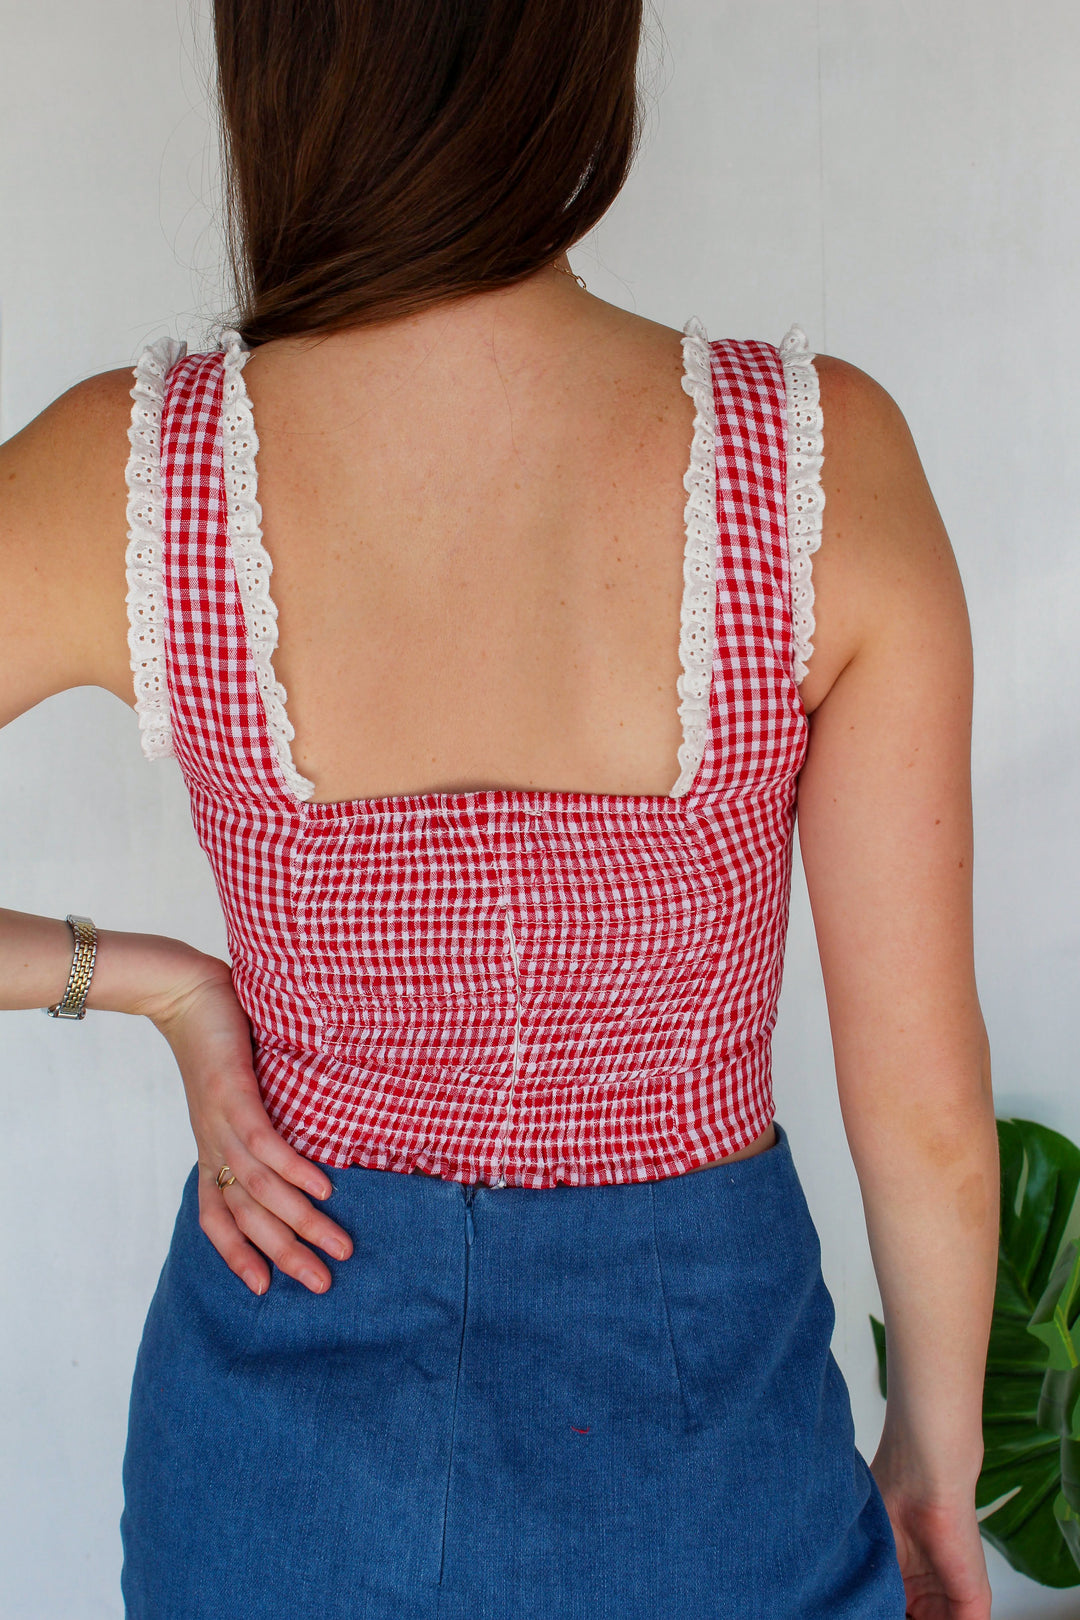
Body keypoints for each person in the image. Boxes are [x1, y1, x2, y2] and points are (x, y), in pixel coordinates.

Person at [0, 2, 999, 1616]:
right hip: (708, 1458)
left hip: (274, 1466)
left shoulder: (137, 473)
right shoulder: (811, 464)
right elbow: (933, 1125)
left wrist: (158, 986)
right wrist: (935, 1466)